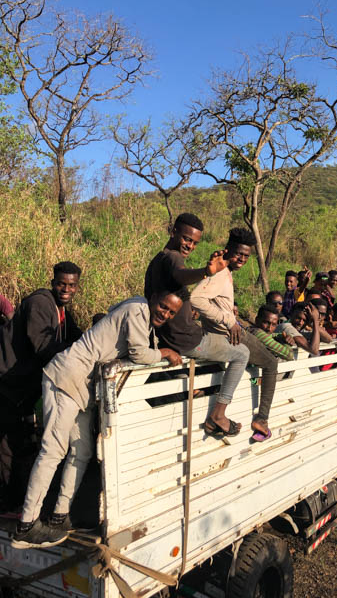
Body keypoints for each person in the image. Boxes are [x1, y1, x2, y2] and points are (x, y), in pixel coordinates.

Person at [12, 290, 186, 550]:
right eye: (163, 306)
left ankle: (60, 515)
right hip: (67, 378)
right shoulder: (138, 309)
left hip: (85, 386)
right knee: (53, 451)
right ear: (154, 298)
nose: (165, 313)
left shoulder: (140, 312)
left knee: (81, 451)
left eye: (171, 312)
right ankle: (26, 525)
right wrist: (165, 352)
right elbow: (140, 354)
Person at [145, 213, 250, 437]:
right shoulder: (172, 259)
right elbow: (181, 275)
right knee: (242, 353)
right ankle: (219, 415)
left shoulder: (157, 260)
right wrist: (206, 272)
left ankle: (204, 392)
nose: (190, 246)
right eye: (186, 239)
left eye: (194, 242)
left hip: (175, 336)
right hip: (189, 339)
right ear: (173, 233)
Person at [0, 262, 82, 511]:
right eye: (61, 284)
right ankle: (8, 505)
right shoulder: (40, 303)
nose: (65, 289)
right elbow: (42, 346)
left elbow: (79, 339)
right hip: (6, 382)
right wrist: (79, 354)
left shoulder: (62, 312)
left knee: (20, 441)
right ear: (52, 282)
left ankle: (15, 498)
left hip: (21, 388)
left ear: (77, 287)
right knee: (7, 444)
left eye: (71, 285)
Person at [191, 228, 278, 442]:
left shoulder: (225, 272)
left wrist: (229, 311)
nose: (242, 259)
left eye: (247, 256)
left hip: (222, 332)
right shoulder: (221, 273)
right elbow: (196, 299)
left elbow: (212, 301)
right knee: (271, 363)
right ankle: (262, 419)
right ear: (228, 250)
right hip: (229, 334)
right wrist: (229, 320)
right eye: (239, 253)